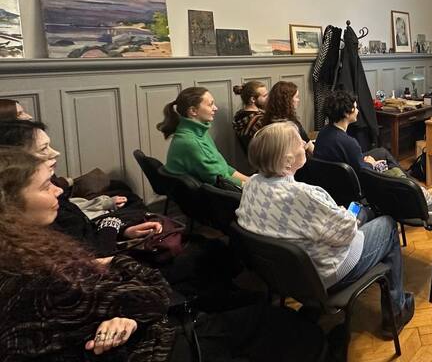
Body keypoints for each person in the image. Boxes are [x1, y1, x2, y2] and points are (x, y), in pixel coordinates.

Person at [0, 148, 328, 361]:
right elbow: (150, 293)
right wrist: (127, 301)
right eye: (46, 186)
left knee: (225, 272)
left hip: (161, 326)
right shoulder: (30, 277)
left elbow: (134, 284)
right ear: (10, 206)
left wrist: (118, 256)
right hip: (163, 342)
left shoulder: (33, 246)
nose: (59, 189)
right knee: (295, 332)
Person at [236, 122, 415, 335]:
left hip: (285, 276)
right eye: (298, 142)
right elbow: (347, 233)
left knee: (363, 213)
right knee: (387, 224)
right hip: (326, 275)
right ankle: (396, 311)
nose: (304, 144)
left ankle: (318, 306)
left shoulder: (251, 185)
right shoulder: (306, 195)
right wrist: (346, 216)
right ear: (287, 160)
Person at [0, 119, 159, 257]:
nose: (56, 153)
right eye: (43, 149)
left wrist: (123, 232)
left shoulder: (37, 224)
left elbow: (82, 236)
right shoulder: (39, 240)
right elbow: (94, 256)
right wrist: (110, 225)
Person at [314, 90, 432, 204]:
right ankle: (417, 192)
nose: (358, 111)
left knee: (382, 152)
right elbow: (363, 172)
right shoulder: (349, 142)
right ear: (346, 113)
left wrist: (364, 161)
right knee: (388, 165)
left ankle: (417, 188)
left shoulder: (323, 133)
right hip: (351, 184)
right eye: (355, 108)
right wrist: (370, 163)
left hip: (333, 183)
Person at [158, 87, 249, 186]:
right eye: (210, 105)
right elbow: (222, 181)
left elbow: (223, 167)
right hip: (208, 192)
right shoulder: (192, 142)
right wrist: (252, 186)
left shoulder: (199, 132)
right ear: (193, 111)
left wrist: (249, 180)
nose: (215, 108)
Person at [261, 81, 314, 154]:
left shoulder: (267, 120)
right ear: (288, 100)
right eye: (296, 97)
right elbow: (312, 150)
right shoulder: (292, 125)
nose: (298, 100)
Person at [232, 80, 268, 151]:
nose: (268, 98)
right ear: (253, 99)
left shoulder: (239, 115)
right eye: (264, 96)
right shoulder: (258, 121)